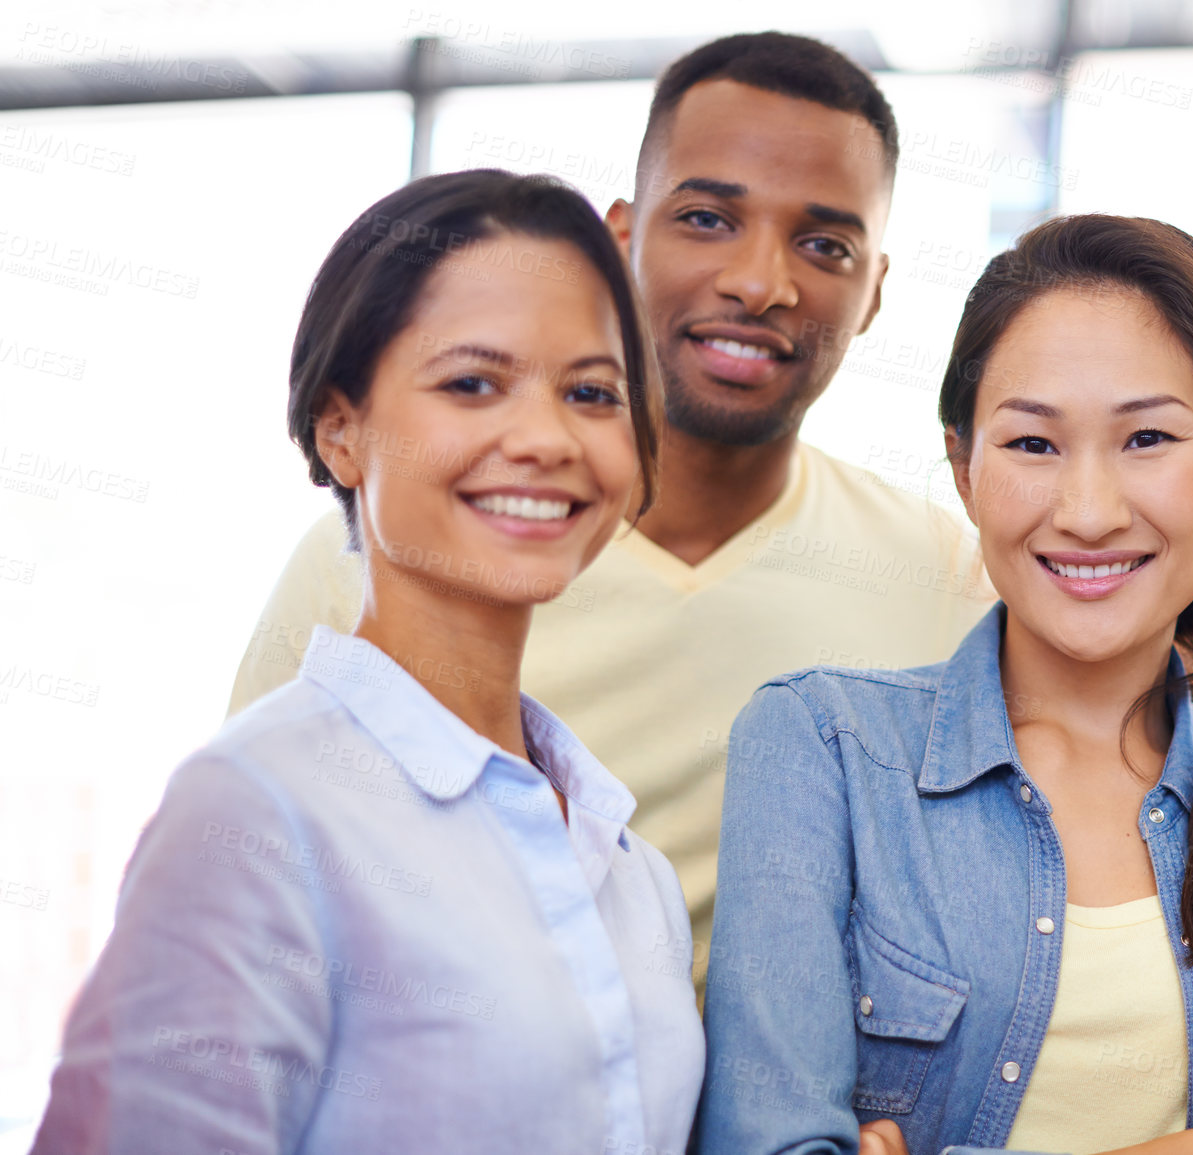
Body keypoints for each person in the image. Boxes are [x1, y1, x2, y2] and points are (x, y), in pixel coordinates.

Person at [226, 34, 993, 979]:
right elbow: (244, 913)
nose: (760, 283)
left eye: (825, 244)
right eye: (709, 218)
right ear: (621, 239)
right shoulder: (377, 559)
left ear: (873, 291)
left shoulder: (948, 578)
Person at [698, 215, 1193, 1155]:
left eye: (1148, 438)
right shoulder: (821, 748)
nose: (1087, 513)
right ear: (963, 469)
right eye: (1032, 445)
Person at [32, 170, 703, 1153]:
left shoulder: (625, 867)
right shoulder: (256, 814)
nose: (545, 438)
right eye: (472, 383)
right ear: (340, 429)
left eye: (592, 393)